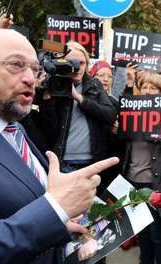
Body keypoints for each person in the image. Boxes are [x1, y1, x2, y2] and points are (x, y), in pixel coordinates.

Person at [0, 28, 119, 263]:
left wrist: (64, 222)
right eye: (15, 64)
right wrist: (55, 209)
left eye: (34, 69)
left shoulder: (12, 125)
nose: (31, 79)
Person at [121, 71, 161, 264]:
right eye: (144, 87)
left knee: (157, 233)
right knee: (142, 233)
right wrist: (116, 129)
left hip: (156, 184)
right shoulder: (129, 114)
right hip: (132, 182)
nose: (148, 91)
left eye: (153, 88)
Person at [52, 41, 117, 190]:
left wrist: (79, 98)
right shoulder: (54, 85)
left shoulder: (94, 85)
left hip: (91, 163)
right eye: (72, 63)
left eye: (82, 63)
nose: (78, 68)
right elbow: (48, 126)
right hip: (62, 164)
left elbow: (110, 115)